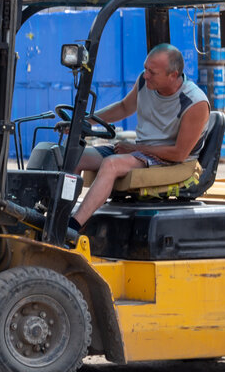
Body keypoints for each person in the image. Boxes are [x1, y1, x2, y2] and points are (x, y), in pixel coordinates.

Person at [68, 44, 210, 232]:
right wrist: (83, 122)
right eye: (145, 69)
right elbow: (124, 107)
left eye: (152, 72)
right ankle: (60, 215)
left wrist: (134, 149)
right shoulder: (145, 83)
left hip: (168, 159)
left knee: (112, 164)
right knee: (74, 156)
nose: (145, 75)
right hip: (141, 151)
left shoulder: (195, 103)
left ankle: (72, 228)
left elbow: (179, 154)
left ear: (173, 75)